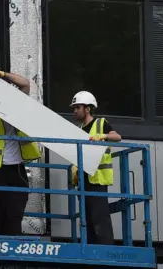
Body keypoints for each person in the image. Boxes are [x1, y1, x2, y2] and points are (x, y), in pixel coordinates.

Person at [0, 68, 41, 236]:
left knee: (14, 215)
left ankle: (12, 248)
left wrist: (2, 74)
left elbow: (25, 83)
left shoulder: (18, 105)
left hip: (16, 169)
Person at [70, 91, 122, 245]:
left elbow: (117, 137)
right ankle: (91, 249)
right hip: (83, 179)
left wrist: (103, 136)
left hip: (98, 180)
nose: (74, 111)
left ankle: (105, 249)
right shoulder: (79, 129)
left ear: (88, 108)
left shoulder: (100, 123)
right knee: (87, 219)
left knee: (99, 217)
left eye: (77, 107)